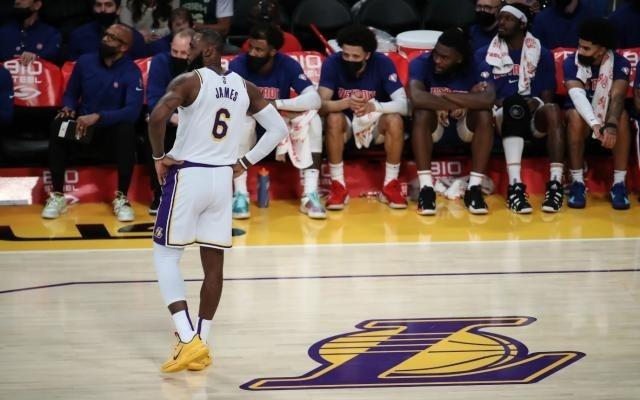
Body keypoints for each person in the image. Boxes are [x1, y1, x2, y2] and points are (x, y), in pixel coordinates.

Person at [147, 29, 287, 372]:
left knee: (165, 255)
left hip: (189, 174)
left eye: (192, 46)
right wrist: (245, 162)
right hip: (223, 179)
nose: (187, 52)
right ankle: (202, 342)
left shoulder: (189, 81)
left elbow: (157, 116)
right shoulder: (244, 86)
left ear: (209, 50)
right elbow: (278, 130)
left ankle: (187, 339)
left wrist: (158, 156)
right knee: (214, 265)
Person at [42, 24, 143, 221]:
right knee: (59, 124)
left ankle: (122, 198)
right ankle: (58, 195)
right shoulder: (85, 61)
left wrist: (99, 116)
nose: (105, 39)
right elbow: (71, 93)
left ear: (123, 47)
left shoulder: (132, 71)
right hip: (83, 130)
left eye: (112, 38)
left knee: (126, 130)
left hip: (110, 134)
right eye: (106, 34)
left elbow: (132, 112)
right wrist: (69, 106)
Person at [476, 4, 566, 213]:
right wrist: (510, 102)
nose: (501, 23)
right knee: (514, 105)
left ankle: (555, 184)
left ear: (522, 23)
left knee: (553, 109)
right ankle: (515, 187)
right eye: (500, 18)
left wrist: (537, 102)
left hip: (532, 116)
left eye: (508, 19)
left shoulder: (542, 53)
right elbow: (486, 96)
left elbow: (546, 97)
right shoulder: (485, 54)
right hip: (500, 115)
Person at [229, 23, 324, 219]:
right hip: (251, 130)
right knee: (242, 120)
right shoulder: (238, 65)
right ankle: (240, 194)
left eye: (259, 49)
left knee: (314, 121)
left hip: (278, 130)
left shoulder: (288, 64)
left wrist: (276, 104)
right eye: (251, 47)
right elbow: (235, 103)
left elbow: (315, 99)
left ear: (272, 51)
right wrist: (264, 108)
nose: (252, 53)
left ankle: (310, 194)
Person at [319, 24, 409, 210]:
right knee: (333, 118)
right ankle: (338, 186)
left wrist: (373, 106)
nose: (349, 60)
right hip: (345, 126)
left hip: (375, 123)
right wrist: (344, 103)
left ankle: (390, 185)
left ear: (367, 55)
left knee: (395, 120)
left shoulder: (383, 63)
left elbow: (404, 105)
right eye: (346, 55)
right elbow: (319, 105)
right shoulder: (332, 63)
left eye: (355, 56)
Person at [409, 28, 496, 215]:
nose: (437, 60)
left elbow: (488, 99)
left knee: (484, 114)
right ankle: (426, 189)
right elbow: (416, 97)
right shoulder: (421, 63)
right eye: (436, 54)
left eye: (445, 58)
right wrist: (465, 99)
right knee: (421, 112)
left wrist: (447, 98)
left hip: (464, 125)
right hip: (435, 126)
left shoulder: (478, 64)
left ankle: (474, 189)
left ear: (459, 59)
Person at [563, 18, 632, 210]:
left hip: (606, 117)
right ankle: (577, 182)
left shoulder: (620, 63)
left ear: (601, 50)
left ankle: (619, 184)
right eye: (579, 45)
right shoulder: (571, 62)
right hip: (582, 120)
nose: (580, 51)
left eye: (586, 48)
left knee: (622, 117)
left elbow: (618, 97)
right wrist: (594, 123)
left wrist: (611, 124)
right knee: (575, 116)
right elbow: (577, 96)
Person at [146, 28, 195, 214]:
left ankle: (190, 196)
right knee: (156, 128)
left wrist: (183, 119)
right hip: (169, 119)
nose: (178, 56)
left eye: (183, 53)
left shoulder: (199, 66)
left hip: (193, 120)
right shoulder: (160, 61)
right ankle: (160, 195)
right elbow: (153, 100)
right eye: (175, 51)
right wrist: (171, 117)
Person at [67, 0, 147, 61]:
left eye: (108, 5)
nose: (103, 9)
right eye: (98, 5)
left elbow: (142, 70)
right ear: (93, 8)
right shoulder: (78, 36)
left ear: (118, 10)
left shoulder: (134, 37)